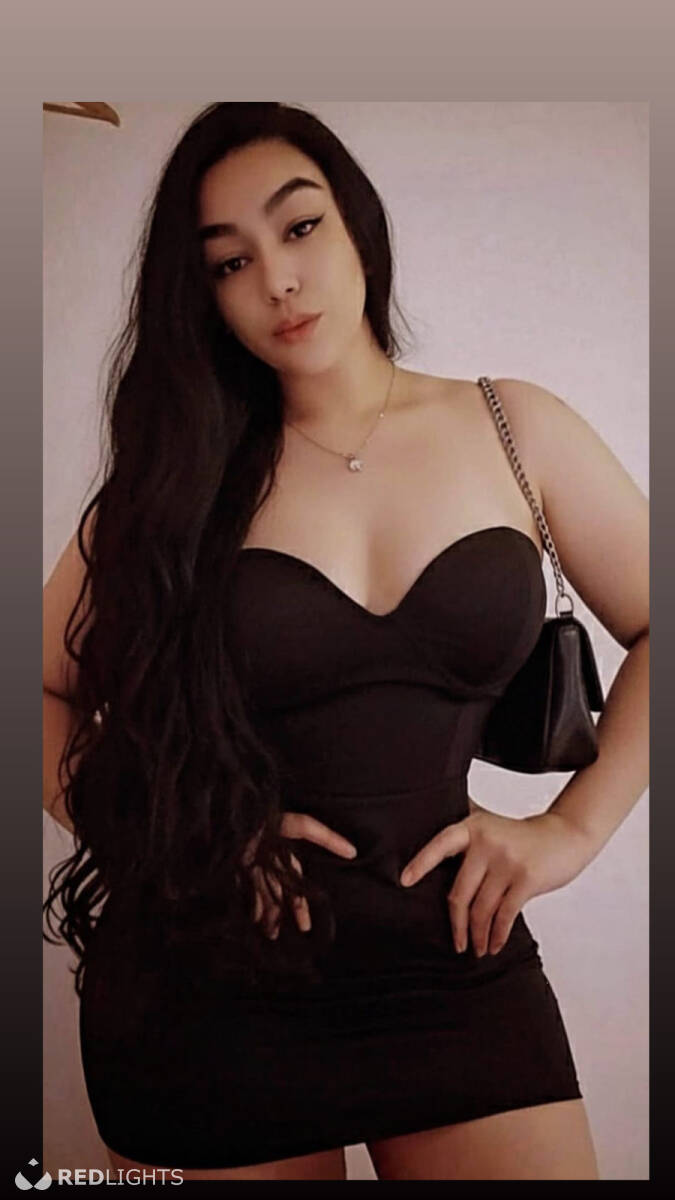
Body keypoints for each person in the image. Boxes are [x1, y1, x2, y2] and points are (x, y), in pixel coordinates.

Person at [43, 102, 648, 1181]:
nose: (277, 280)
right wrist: (171, 841)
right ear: (203, 295)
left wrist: (571, 829)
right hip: (213, 985)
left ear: (358, 225)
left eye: (299, 227)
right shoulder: (176, 482)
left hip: (457, 964)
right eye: (230, 262)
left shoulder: (511, 426)